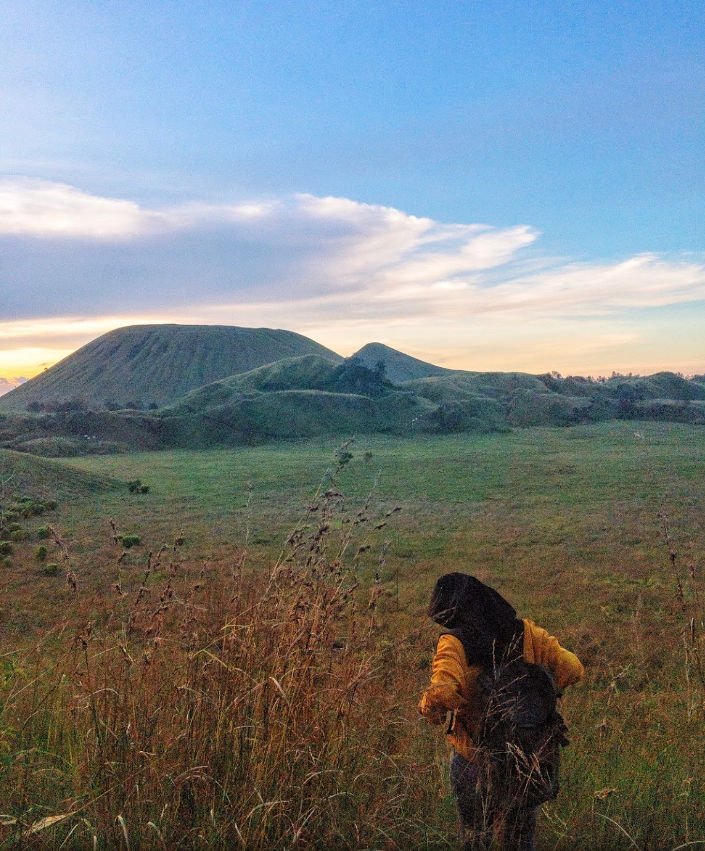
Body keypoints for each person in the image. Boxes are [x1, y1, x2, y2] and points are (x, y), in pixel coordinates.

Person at [418, 573, 584, 850]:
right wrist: (537, 695)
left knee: (475, 837)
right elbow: (573, 668)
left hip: (473, 758)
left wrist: (432, 710)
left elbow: (442, 693)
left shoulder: (454, 642)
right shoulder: (528, 633)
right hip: (525, 759)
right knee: (520, 839)